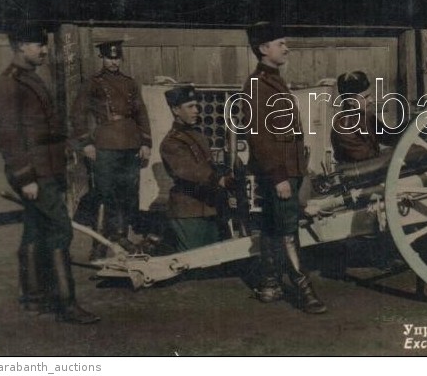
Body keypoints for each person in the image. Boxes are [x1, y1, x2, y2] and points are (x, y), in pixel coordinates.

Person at [0, 25, 99, 324]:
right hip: (35, 173)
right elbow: (5, 134)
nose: (45, 50)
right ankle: (66, 304)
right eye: (39, 45)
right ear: (21, 45)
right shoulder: (9, 84)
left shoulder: (29, 78)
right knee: (61, 228)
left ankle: (34, 298)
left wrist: (65, 147)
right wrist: (26, 178)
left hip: (46, 168)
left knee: (36, 229)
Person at [244, 21, 327, 314]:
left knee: (271, 225)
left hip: (288, 168)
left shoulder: (274, 80)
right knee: (289, 229)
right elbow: (258, 136)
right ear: (264, 49)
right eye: (281, 43)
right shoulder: (257, 85)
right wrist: (279, 177)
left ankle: (269, 284)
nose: (286, 47)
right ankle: (304, 290)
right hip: (278, 171)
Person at [71, 40, 152, 252]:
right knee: (106, 193)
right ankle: (100, 243)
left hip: (130, 143)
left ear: (121, 58)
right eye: (109, 58)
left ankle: (121, 238)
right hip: (105, 143)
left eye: (116, 58)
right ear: (102, 58)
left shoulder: (130, 83)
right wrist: (86, 142)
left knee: (128, 193)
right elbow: (77, 113)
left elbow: (141, 112)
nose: (113, 62)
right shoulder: (93, 82)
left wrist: (146, 142)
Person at [160, 85, 233, 251]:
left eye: (196, 106)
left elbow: (208, 165)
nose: (196, 111)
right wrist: (218, 179)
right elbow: (190, 171)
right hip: (189, 210)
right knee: (194, 264)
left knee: (223, 258)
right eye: (190, 107)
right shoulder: (171, 142)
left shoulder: (198, 135)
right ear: (176, 110)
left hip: (209, 207)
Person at [331, 70, 396, 163]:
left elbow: (389, 137)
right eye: (365, 97)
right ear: (350, 101)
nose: (371, 100)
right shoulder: (342, 128)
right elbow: (367, 159)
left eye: (370, 95)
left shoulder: (367, 116)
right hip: (358, 174)